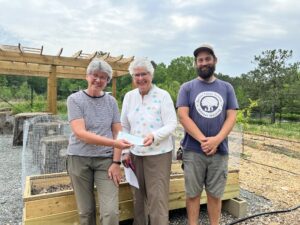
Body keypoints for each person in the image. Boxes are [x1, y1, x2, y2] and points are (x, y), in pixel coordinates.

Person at [176, 44, 239, 225]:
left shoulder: (227, 88)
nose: (204, 63)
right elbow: (183, 116)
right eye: (200, 60)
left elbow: (231, 116)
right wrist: (205, 141)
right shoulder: (187, 88)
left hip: (219, 152)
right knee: (193, 194)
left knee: (215, 195)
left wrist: (217, 140)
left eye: (207, 59)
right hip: (193, 151)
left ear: (215, 61)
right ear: (196, 63)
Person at [66, 59, 132, 225]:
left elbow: (118, 132)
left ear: (108, 81)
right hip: (79, 158)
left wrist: (116, 162)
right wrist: (114, 144)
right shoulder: (74, 99)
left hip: (106, 161)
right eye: (95, 75)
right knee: (86, 211)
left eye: (104, 77)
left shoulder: (111, 102)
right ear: (87, 76)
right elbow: (81, 133)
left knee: (110, 212)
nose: (98, 80)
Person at [121, 58, 177, 225]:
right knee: (138, 198)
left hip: (158, 154)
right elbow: (124, 124)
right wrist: (125, 151)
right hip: (135, 155)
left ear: (151, 75)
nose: (140, 78)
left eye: (144, 74)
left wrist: (154, 135)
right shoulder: (129, 97)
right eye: (136, 75)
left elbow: (172, 124)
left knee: (157, 198)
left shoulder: (163, 96)